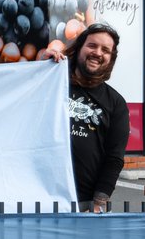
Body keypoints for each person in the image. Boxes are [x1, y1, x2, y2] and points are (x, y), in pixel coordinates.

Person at [38, 23, 129, 212]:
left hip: (85, 205)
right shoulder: (51, 82)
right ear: (79, 48)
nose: (97, 52)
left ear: (111, 58)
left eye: (105, 50)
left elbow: (114, 158)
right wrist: (40, 68)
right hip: (40, 197)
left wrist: (99, 202)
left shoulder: (116, 103)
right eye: (92, 45)